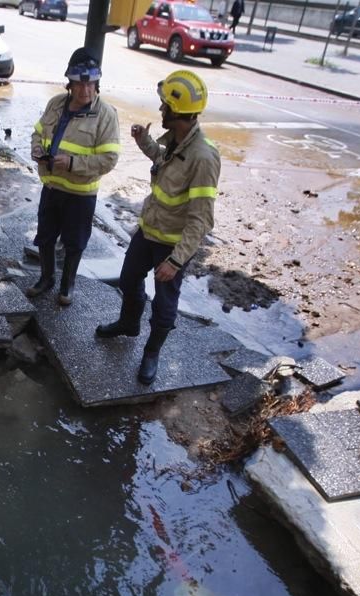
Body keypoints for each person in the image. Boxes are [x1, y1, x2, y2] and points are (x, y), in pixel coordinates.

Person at [96, 70, 220, 385]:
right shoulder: (177, 142)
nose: (161, 110)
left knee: (165, 306)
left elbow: (201, 217)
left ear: (177, 112)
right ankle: (128, 324)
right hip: (148, 231)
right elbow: (164, 162)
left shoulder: (203, 158)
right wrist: (145, 142)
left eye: (165, 106)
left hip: (172, 246)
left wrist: (176, 260)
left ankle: (151, 353)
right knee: (128, 279)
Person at [27, 47, 120, 306]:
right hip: (52, 187)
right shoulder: (55, 104)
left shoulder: (106, 115)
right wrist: (37, 149)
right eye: (80, 84)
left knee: (74, 243)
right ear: (70, 83)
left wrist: (71, 163)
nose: (85, 90)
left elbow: (109, 159)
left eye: (91, 84)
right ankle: (46, 279)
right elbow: (37, 132)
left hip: (81, 195)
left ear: (97, 83)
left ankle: (67, 285)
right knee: (45, 236)